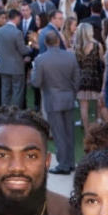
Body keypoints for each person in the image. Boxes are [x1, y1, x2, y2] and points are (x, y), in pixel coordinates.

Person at [31, 30, 80, 175]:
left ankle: (64, 165)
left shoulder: (41, 60)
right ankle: (70, 162)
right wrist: (72, 92)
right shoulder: (70, 57)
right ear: (58, 41)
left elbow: (36, 82)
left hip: (53, 99)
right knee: (69, 132)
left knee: (59, 134)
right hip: (68, 98)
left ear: (46, 43)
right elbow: (77, 79)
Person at [0, 9, 32, 110]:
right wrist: (29, 48)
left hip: (4, 66)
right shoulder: (17, 33)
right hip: (16, 67)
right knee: (17, 91)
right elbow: (23, 50)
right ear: (17, 18)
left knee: (5, 91)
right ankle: (15, 113)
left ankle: (4, 112)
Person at [73, 22, 104, 129]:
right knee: (98, 103)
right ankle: (98, 125)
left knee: (83, 106)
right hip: (95, 78)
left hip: (81, 79)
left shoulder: (76, 47)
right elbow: (101, 63)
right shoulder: (97, 45)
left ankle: (87, 131)